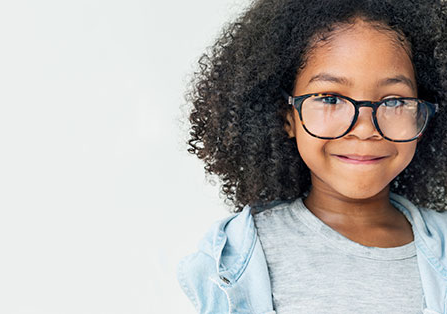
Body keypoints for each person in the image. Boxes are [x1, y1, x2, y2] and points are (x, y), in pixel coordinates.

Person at [176, 0, 447, 313]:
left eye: (393, 101)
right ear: (287, 116)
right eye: (330, 98)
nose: (363, 129)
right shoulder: (230, 260)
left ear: (423, 114)